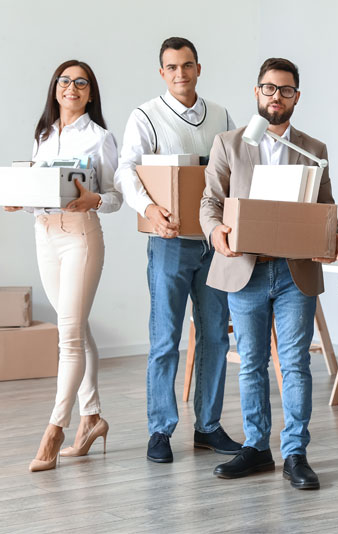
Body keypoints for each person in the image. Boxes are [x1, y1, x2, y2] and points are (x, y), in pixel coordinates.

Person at [200, 57, 338, 490]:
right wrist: (217, 231)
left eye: (284, 90)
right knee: (252, 364)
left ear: (296, 96)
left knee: (296, 364)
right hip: (247, 269)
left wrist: (332, 237)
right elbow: (210, 203)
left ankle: (295, 453)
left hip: (294, 272)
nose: (275, 96)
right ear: (256, 92)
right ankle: (257, 447)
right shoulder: (229, 143)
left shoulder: (312, 149)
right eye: (268, 88)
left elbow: (325, 207)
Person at [114, 37, 239, 463]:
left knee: (215, 337)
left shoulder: (221, 115)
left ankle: (208, 426)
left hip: (214, 242)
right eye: (172, 67)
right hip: (168, 241)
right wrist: (148, 208)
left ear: (198, 69)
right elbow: (126, 169)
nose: (180, 74)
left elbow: (235, 169)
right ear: (162, 72)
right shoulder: (146, 115)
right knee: (165, 338)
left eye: (187, 66)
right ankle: (160, 430)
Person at [5, 60, 122, 472]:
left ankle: (54, 430)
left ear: (91, 93)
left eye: (81, 83)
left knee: (68, 336)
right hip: (44, 233)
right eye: (64, 81)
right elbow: (40, 189)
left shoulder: (100, 137)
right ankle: (92, 417)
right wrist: (20, 198)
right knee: (78, 327)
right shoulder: (43, 134)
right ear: (55, 88)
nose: (71, 87)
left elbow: (114, 197)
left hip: (79, 237)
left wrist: (95, 200)